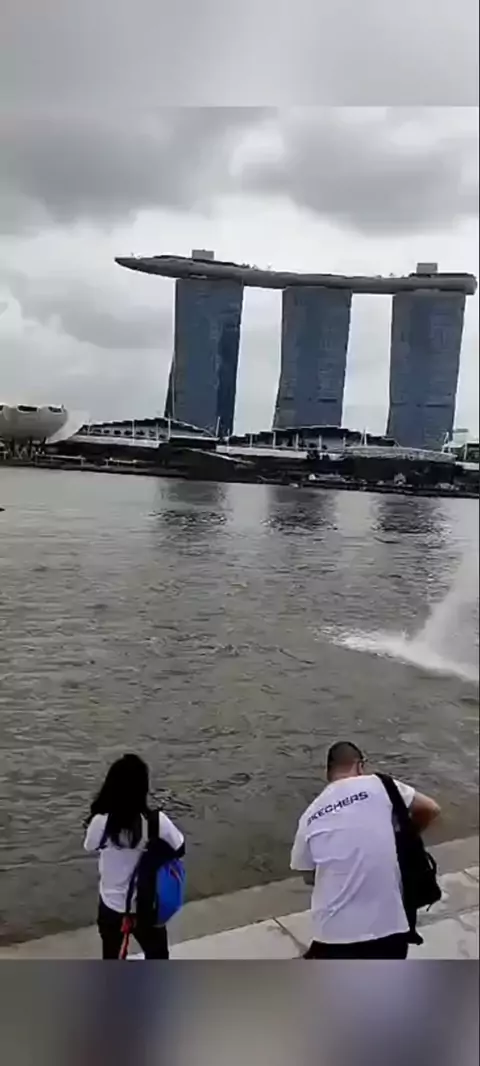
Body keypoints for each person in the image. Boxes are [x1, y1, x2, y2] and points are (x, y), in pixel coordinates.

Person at [291, 741, 440, 959]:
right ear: (360, 765)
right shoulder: (379, 784)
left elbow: (307, 875)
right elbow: (430, 809)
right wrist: (405, 837)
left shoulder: (309, 815)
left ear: (328, 773)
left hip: (332, 934)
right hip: (388, 927)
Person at [84, 753, 185, 959]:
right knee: (158, 956)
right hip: (146, 906)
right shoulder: (157, 821)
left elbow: (90, 846)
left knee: (110, 956)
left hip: (111, 905)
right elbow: (180, 847)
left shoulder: (100, 822)